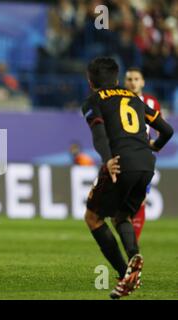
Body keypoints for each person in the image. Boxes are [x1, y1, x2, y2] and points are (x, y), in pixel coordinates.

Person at [81, 57, 173, 299]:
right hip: (146, 164)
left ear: (91, 82)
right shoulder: (134, 98)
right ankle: (134, 257)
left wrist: (107, 159)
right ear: (118, 79)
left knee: (93, 217)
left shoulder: (94, 100)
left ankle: (124, 275)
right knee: (122, 215)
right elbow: (168, 130)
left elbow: (99, 132)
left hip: (120, 163)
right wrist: (155, 146)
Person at [123, 67, 161, 241]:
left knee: (140, 199)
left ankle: (133, 247)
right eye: (129, 79)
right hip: (121, 155)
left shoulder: (151, 103)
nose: (133, 82)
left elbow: (161, 128)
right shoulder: (116, 101)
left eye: (136, 79)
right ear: (125, 82)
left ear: (143, 82)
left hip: (142, 156)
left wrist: (155, 144)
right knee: (121, 203)